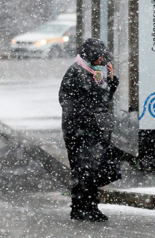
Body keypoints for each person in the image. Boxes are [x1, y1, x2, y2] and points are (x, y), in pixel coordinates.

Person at [59, 38, 121, 222]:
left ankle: (89, 207)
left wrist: (111, 81)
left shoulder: (94, 72)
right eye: (100, 55)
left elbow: (104, 97)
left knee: (93, 170)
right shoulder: (76, 71)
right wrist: (86, 119)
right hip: (80, 131)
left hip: (95, 130)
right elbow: (67, 101)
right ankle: (81, 208)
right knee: (83, 170)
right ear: (91, 54)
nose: (103, 58)